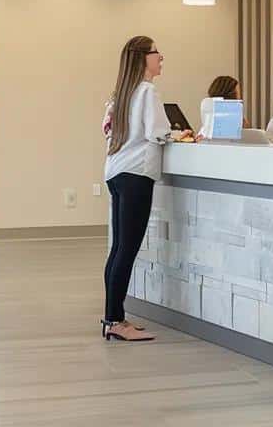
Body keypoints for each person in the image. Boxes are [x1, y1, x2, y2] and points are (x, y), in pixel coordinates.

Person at [100, 35, 171, 343]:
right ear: (144, 58)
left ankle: (113, 316)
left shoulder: (121, 95)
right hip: (137, 174)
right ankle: (115, 320)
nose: (161, 57)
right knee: (127, 250)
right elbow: (158, 132)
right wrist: (177, 133)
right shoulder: (147, 91)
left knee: (118, 248)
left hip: (116, 172)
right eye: (157, 53)